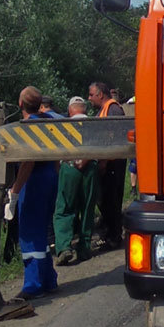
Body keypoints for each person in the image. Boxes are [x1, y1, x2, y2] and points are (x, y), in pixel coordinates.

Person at [7, 86, 59, 299]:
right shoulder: (49, 122)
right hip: (50, 177)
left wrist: (15, 191)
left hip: (34, 181)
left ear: (20, 105)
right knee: (41, 230)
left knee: (29, 233)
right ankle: (48, 279)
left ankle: (33, 285)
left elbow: (28, 161)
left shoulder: (29, 127)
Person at [52, 96, 97, 265]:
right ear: (84, 109)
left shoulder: (64, 125)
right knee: (87, 208)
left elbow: (57, 150)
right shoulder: (94, 124)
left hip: (69, 167)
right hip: (90, 168)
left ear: (71, 110)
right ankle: (84, 248)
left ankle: (64, 247)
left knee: (64, 208)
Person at [88, 81, 125, 251]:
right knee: (105, 201)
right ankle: (110, 234)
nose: (89, 98)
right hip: (108, 163)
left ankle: (114, 237)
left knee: (111, 201)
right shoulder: (105, 110)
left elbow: (113, 138)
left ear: (100, 95)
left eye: (91, 95)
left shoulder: (113, 110)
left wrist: (103, 161)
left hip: (112, 164)